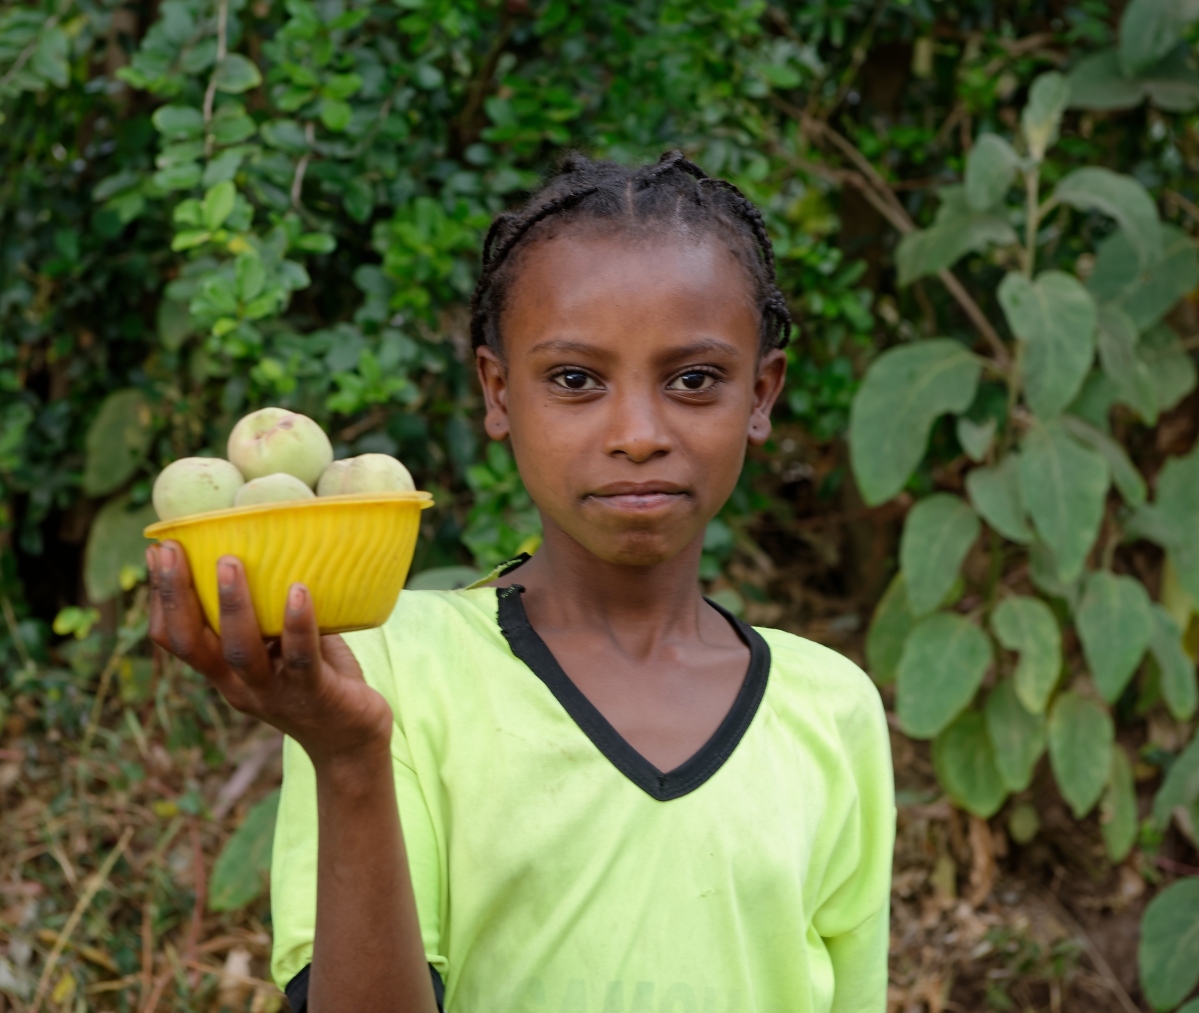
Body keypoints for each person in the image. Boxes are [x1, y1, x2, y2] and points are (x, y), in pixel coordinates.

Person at [145, 151, 896, 1013]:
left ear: (760, 395)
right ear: (498, 393)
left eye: (693, 379)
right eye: (575, 380)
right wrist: (349, 759)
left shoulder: (831, 708)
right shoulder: (384, 668)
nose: (638, 433)